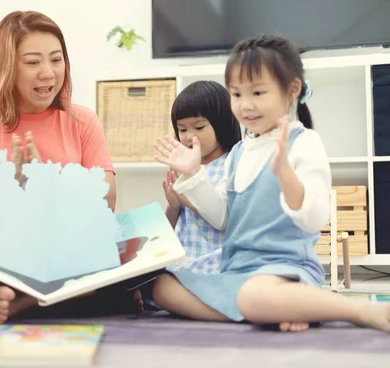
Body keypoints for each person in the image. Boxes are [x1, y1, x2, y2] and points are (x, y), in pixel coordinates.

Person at [152, 34, 390, 332]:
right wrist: (195, 175)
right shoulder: (239, 152)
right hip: (236, 272)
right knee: (161, 286)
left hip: (284, 269)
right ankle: (271, 308)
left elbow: (315, 217)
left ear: (291, 90)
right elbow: (224, 218)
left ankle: (361, 311)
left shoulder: (303, 142)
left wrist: (288, 180)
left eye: (258, 93)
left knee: (254, 293)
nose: (246, 105)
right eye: (237, 95)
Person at [0, 10, 140, 324]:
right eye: (33, 62)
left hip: (67, 249)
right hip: (2, 250)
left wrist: (48, 183)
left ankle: (15, 301)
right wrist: (5, 188)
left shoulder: (82, 120)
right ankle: (71, 297)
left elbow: (107, 202)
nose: (48, 73)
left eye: (56, 60)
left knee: (141, 257)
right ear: (7, 66)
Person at [163, 80, 240, 274]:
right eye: (182, 129)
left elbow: (224, 221)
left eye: (199, 128)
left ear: (221, 124)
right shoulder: (181, 167)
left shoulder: (232, 162)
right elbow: (169, 229)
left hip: (216, 261)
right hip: (182, 260)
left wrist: (189, 200)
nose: (189, 136)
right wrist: (174, 205)